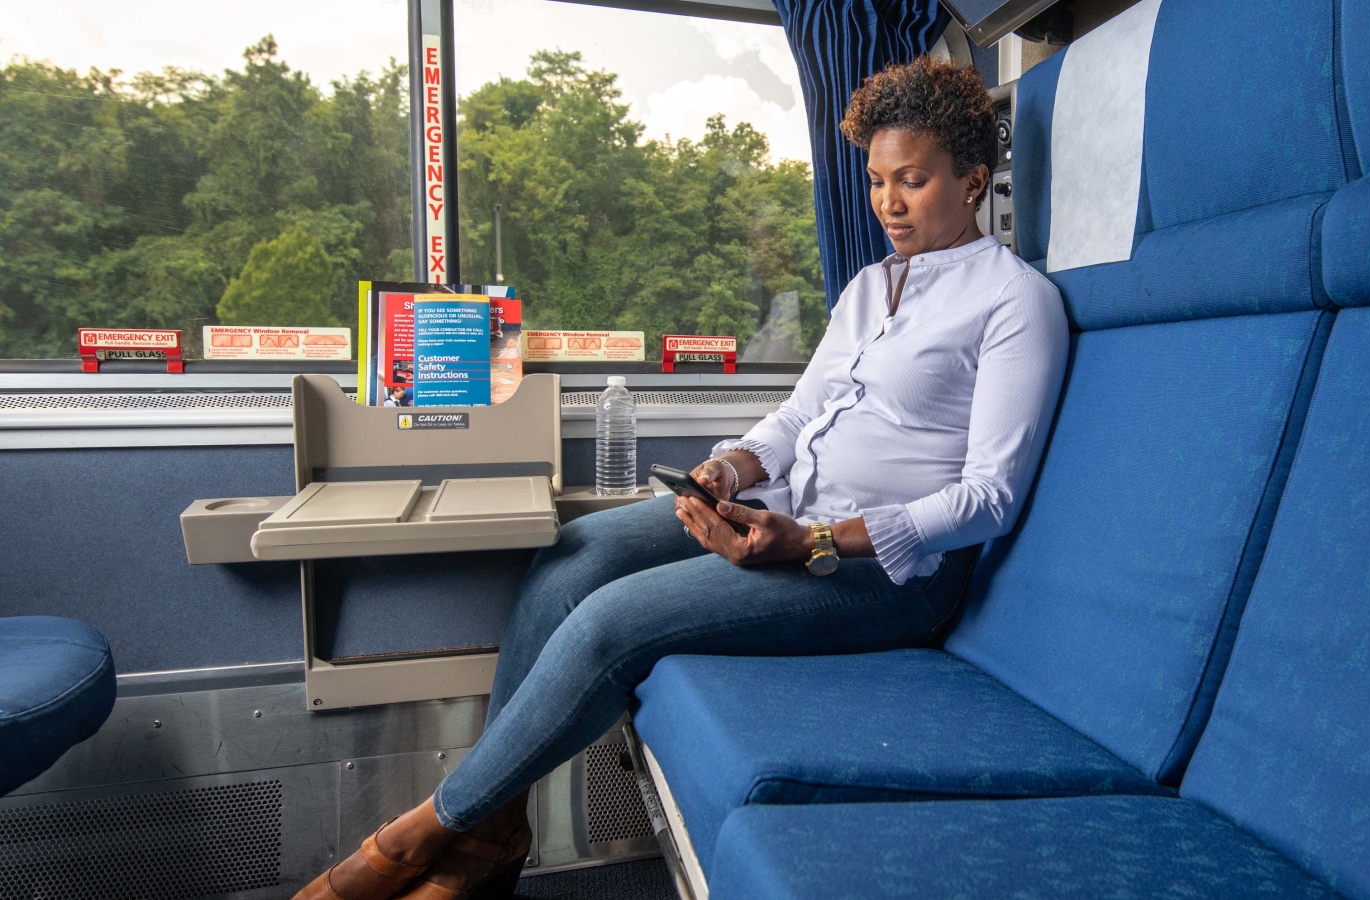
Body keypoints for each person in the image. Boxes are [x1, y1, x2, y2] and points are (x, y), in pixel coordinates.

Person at [295, 56, 1068, 900]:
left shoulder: (1015, 302)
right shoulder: (869, 287)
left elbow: (989, 498)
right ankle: (497, 830)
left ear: (974, 181)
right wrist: (730, 469)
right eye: (879, 181)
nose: (887, 203)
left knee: (609, 623)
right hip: (786, 511)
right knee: (574, 552)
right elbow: (798, 418)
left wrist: (809, 540)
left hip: (887, 573)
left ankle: (426, 832)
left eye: (912, 182)